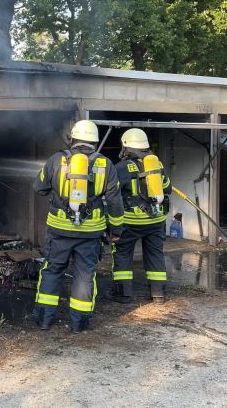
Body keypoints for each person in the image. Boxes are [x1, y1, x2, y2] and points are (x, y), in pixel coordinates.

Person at [32, 120, 125, 332]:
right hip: (90, 233)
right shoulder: (105, 164)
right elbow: (114, 201)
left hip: (59, 231)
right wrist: (116, 229)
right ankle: (78, 323)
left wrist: (58, 187)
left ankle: (44, 320)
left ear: (72, 138)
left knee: (52, 271)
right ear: (95, 141)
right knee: (84, 275)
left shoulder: (57, 160)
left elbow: (39, 187)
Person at [109, 128, 172, 304]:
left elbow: (112, 193)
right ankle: (158, 294)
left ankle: (123, 294)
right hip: (156, 220)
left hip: (130, 222)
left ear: (126, 146)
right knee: (155, 255)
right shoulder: (157, 164)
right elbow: (167, 188)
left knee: (123, 254)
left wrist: (112, 224)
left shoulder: (121, 167)